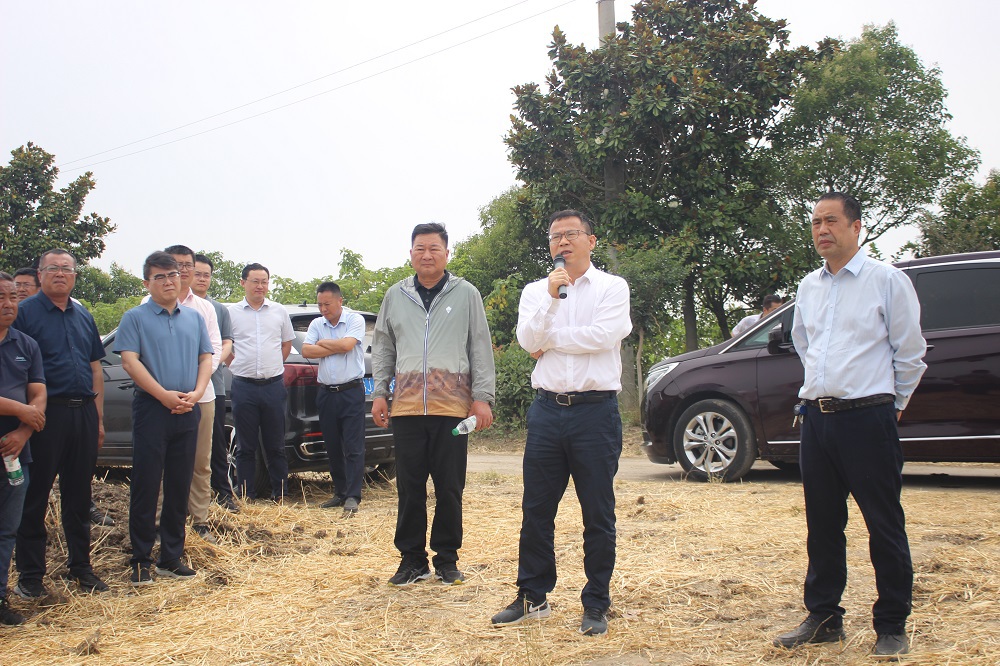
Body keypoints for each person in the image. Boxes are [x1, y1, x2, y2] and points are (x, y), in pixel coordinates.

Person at [773, 192, 927, 659]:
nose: (822, 230)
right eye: (816, 222)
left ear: (856, 227)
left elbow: (910, 352)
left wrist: (892, 403)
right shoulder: (809, 286)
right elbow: (805, 343)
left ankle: (892, 624)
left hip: (868, 418)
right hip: (817, 420)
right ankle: (824, 617)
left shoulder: (887, 281)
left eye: (832, 221)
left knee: (883, 523)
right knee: (822, 524)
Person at [491, 209, 631, 636]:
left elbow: (603, 336)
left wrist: (550, 340)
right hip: (547, 411)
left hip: (595, 412)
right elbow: (527, 341)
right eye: (555, 237)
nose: (563, 242)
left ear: (591, 240)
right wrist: (552, 302)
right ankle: (532, 597)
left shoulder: (612, 287)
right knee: (536, 509)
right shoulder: (537, 291)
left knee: (597, 512)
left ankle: (596, 603)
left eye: (571, 234)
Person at [371, 222, 495, 587]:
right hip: (407, 407)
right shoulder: (395, 295)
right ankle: (412, 560)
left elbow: (480, 346)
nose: (427, 255)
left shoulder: (466, 293)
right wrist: (380, 392)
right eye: (420, 249)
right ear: (410, 254)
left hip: (452, 409)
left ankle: (446, 560)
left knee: (449, 487)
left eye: (434, 248)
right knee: (409, 487)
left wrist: (482, 398)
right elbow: (383, 347)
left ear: (446, 253)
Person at [13, 249, 109, 597]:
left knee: (79, 495)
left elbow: (95, 368)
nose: (60, 274)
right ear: (40, 274)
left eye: (66, 269)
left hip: (83, 412)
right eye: (52, 268)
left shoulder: (83, 315)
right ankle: (30, 576)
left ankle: (81, 567)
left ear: (74, 276)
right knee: (35, 496)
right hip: (44, 415)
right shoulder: (24, 313)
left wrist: (98, 418)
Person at [114, 252, 213, 585]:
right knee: (146, 484)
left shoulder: (193, 317)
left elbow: (205, 358)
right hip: (152, 409)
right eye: (160, 276)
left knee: (178, 485)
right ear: (147, 283)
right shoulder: (135, 318)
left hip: (187, 408)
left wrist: (197, 393)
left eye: (173, 275)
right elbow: (130, 362)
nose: (169, 281)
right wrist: (162, 395)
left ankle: (170, 557)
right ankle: (141, 559)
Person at [161, 245, 222, 543]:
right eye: (177, 265)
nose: (183, 271)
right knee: (163, 461)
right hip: (162, 398)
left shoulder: (203, 308)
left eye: (188, 265)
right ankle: (163, 522)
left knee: (200, 461)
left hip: (202, 396)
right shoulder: (148, 305)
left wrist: (196, 388)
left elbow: (214, 350)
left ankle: (200, 520)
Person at [0, 273, 46, 625]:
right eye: (1, 297)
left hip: (16, 452)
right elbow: (26, 404)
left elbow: (39, 392)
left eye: (13, 297)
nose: (8, 304)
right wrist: (21, 410)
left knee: (7, 529)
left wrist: (24, 431)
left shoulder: (26, 344)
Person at [227, 263, 295, 501]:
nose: (260, 286)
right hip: (243, 386)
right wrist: (235, 365)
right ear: (243, 283)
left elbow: (286, 344)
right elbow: (224, 345)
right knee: (245, 445)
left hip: (272, 386)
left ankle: (281, 494)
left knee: (275, 444)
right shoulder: (231, 313)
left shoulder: (279, 311)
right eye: (255, 281)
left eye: (264, 282)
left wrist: (273, 364)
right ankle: (247, 494)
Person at [301, 282, 366, 514]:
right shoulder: (316, 323)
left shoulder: (355, 320)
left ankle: (353, 496)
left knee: (353, 446)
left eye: (327, 304)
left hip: (351, 392)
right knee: (333, 445)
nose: (323, 309)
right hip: (326, 393)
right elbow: (306, 351)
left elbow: (348, 345)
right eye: (320, 304)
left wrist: (323, 344)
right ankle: (340, 492)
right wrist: (336, 346)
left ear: (340, 301)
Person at [191, 254, 237, 513]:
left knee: (216, 443)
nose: (202, 279)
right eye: (197, 273)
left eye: (206, 275)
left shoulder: (218, 309)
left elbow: (226, 343)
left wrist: (209, 365)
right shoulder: (177, 305)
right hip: (179, 388)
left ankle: (223, 493)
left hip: (213, 386)